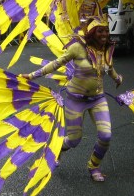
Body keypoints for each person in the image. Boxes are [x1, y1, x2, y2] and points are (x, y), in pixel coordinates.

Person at [20, 15, 123, 182]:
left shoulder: (106, 49)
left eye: (106, 31)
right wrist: (32, 75)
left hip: (98, 98)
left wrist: (117, 78)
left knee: (105, 136)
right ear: (92, 32)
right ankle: (57, 148)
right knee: (74, 140)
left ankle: (93, 167)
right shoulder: (77, 48)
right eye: (100, 31)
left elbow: (109, 68)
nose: (105, 35)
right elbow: (56, 63)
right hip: (76, 100)